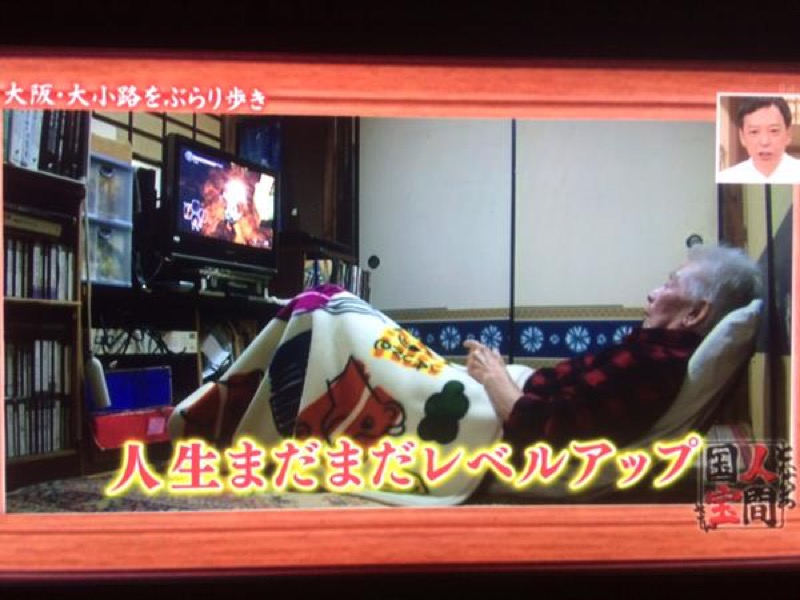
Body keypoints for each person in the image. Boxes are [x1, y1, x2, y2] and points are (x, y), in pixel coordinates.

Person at [464, 244, 762, 452]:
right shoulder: (650, 351)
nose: (652, 293)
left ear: (694, 313)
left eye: (670, 285)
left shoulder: (649, 366)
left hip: (504, 419)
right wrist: (501, 374)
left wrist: (493, 377)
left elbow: (542, 428)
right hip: (519, 388)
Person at [717, 96, 800, 184]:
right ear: (742, 137)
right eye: (754, 131)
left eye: (774, 130)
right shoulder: (726, 178)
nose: (765, 142)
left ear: (788, 134)